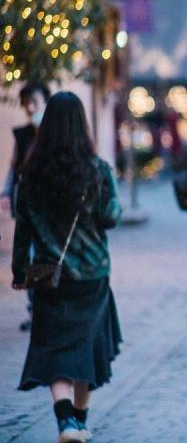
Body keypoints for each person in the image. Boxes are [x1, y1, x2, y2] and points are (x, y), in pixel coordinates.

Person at [11, 91, 122, 443]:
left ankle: (65, 424)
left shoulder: (31, 173)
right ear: (82, 126)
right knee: (86, 349)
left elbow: (23, 227)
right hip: (92, 276)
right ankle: (81, 421)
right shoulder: (98, 170)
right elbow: (111, 217)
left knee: (56, 350)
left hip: (49, 277)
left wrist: (19, 271)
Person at [2, 81, 52, 332]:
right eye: (26, 104)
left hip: (47, 206)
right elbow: (13, 166)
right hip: (26, 203)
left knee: (44, 256)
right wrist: (6, 191)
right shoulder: (23, 134)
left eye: (35, 102)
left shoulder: (54, 134)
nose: (30, 108)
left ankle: (45, 310)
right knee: (29, 256)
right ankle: (35, 311)